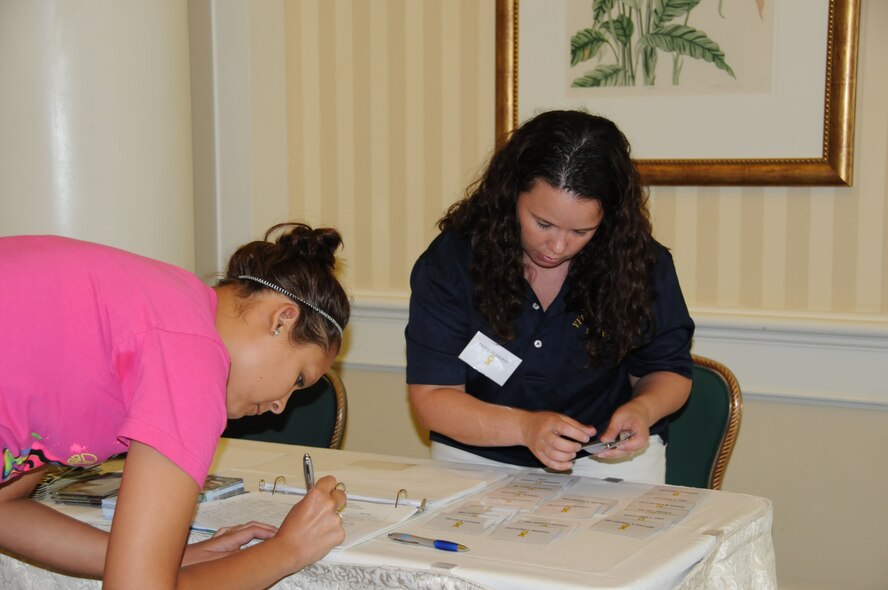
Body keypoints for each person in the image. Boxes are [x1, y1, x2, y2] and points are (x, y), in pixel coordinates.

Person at [0, 222, 350, 588]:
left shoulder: (166, 305)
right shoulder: (192, 353)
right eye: (298, 380)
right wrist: (286, 552)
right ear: (282, 318)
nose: (280, 406)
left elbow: (5, 511)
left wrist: (168, 558)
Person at [406, 110, 695, 483]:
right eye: (542, 224)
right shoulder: (454, 260)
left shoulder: (639, 263)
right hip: (476, 458)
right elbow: (433, 395)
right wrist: (525, 429)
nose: (557, 247)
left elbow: (667, 371)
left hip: (607, 463)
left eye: (581, 230)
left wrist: (643, 409)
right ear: (511, 195)